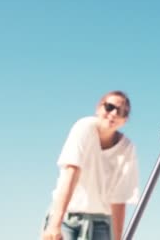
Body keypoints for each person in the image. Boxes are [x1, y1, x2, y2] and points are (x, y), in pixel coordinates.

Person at [41, 90, 140, 240]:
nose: (113, 113)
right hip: (66, 218)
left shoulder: (127, 148)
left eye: (120, 111)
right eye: (109, 107)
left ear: (124, 120)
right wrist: (55, 224)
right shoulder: (84, 128)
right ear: (99, 108)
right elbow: (71, 174)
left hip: (100, 224)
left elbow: (119, 199)